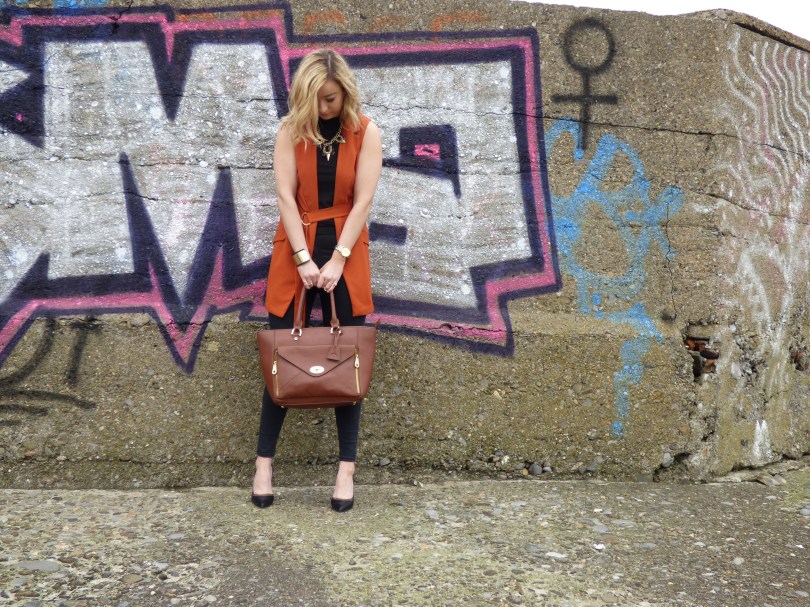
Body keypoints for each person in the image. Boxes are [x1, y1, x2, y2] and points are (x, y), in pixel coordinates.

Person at [252, 49, 382, 512]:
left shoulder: (366, 132)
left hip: (347, 252)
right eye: (315, 100)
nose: (323, 108)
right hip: (295, 251)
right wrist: (304, 259)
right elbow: (285, 198)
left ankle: (346, 471)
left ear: (344, 91)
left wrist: (339, 259)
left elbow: (363, 201)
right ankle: (263, 465)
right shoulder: (291, 131)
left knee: (348, 362)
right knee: (280, 359)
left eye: (329, 99)